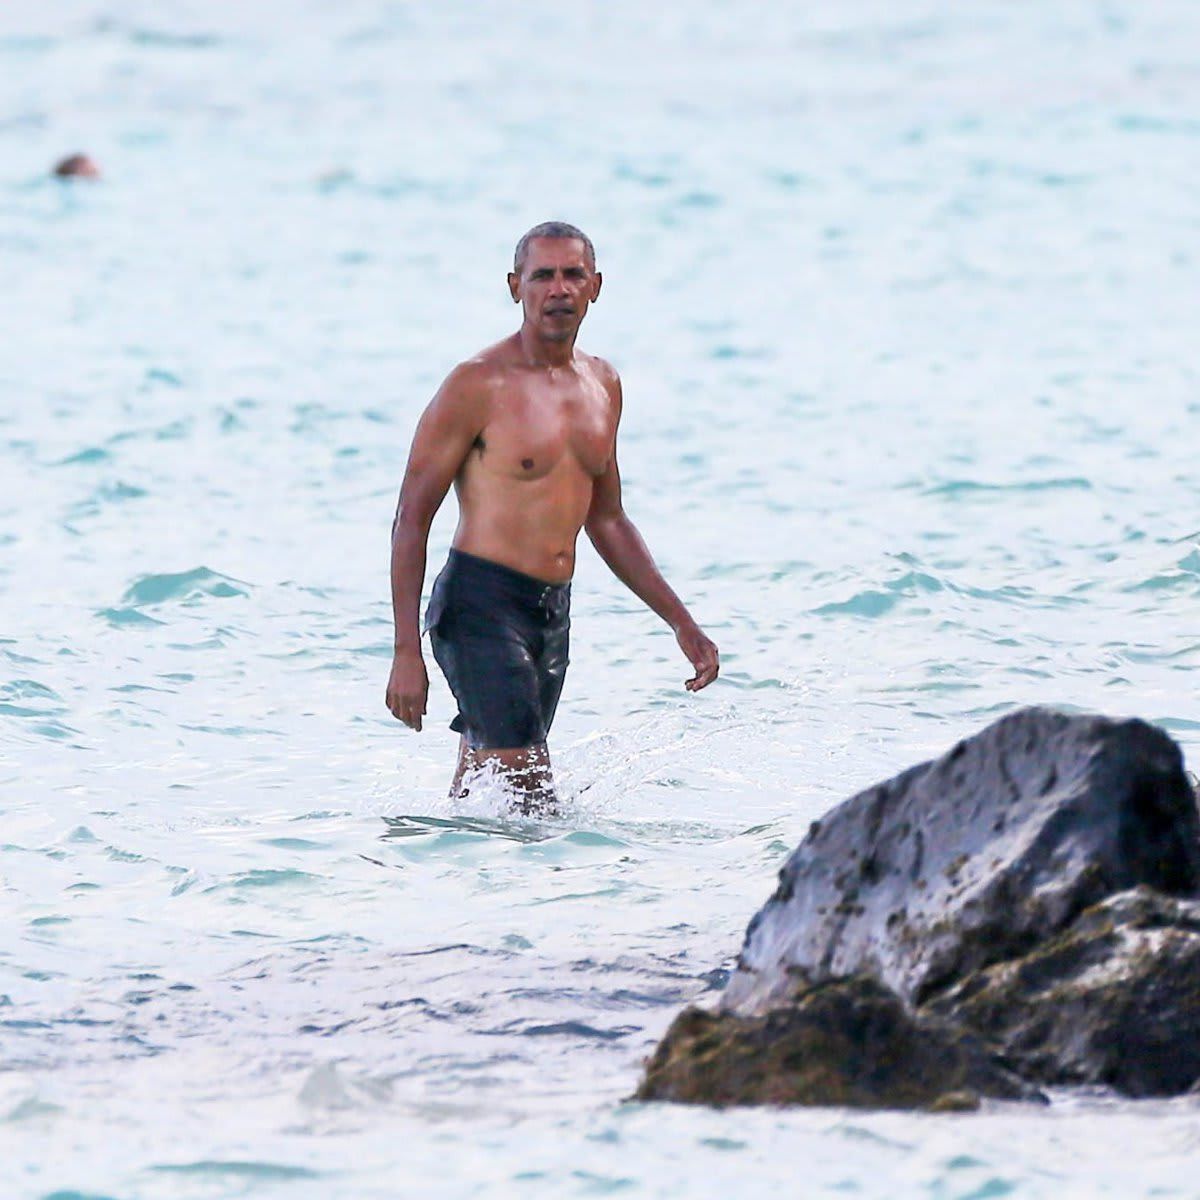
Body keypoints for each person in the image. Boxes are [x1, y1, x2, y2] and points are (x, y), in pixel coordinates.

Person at [386, 222, 719, 811]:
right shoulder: (477, 384)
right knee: (532, 797)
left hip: (551, 614)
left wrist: (680, 623)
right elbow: (411, 519)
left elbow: (609, 520)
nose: (558, 289)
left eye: (572, 275)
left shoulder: (604, 384)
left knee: (487, 790)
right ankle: (562, 896)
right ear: (516, 287)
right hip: (478, 607)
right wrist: (405, 653)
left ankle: (444, 887)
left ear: (595, 286)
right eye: (543, 276)